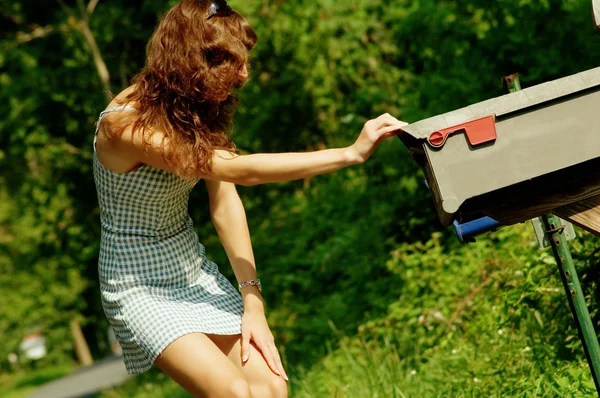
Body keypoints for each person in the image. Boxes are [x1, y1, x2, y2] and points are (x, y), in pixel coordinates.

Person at [92, 0, 408, 397]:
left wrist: (252, 301)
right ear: (194, 62)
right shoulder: (127, 126)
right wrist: (350, 153)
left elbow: (224, 202)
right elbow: (240, 170)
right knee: (236, 393)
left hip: (190, 269)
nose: (244, 74)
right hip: (138, 285)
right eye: (233, 63)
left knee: (272, 388)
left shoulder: (193, 107)